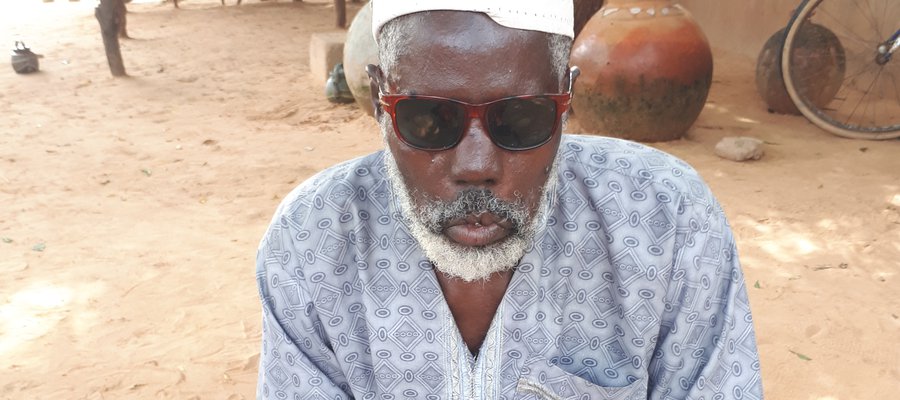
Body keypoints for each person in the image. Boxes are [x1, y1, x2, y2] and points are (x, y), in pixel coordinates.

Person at [254, 1, 764, 399]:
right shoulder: (312, 240)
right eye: (429, 117)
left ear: (566, 101)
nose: (477, 165)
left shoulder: (664, 219)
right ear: (381, 102)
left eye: (521, 118)